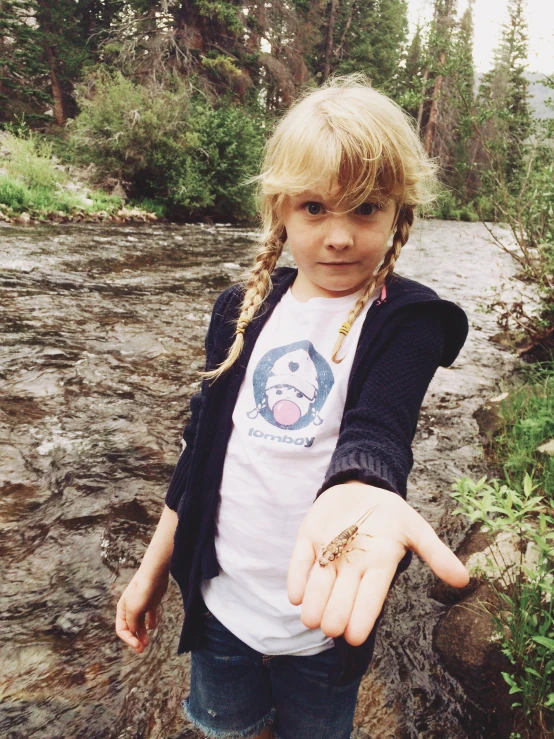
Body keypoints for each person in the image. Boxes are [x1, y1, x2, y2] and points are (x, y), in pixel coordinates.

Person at [116, 75, 470, 739]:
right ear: (280, 209)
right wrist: (152, 569)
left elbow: (380, 430)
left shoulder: (409, 322)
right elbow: (197, 454)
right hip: (221, 611)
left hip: (322, 632)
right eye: (314, 207)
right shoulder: (239, 311)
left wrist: (364, 482)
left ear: (400, 210)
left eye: (365, 208)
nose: (338, 236)